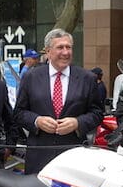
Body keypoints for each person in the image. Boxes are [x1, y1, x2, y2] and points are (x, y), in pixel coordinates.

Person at [14, 28, 104, 174]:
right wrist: (37, 121)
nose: (65, 52)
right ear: (48, 52)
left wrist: (77, 123)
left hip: (73, 158)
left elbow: (97, 113)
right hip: (39, 159)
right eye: (60, 47)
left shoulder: (87, 78)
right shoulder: (31, 77)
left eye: (68, 47)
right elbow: (18, 113)